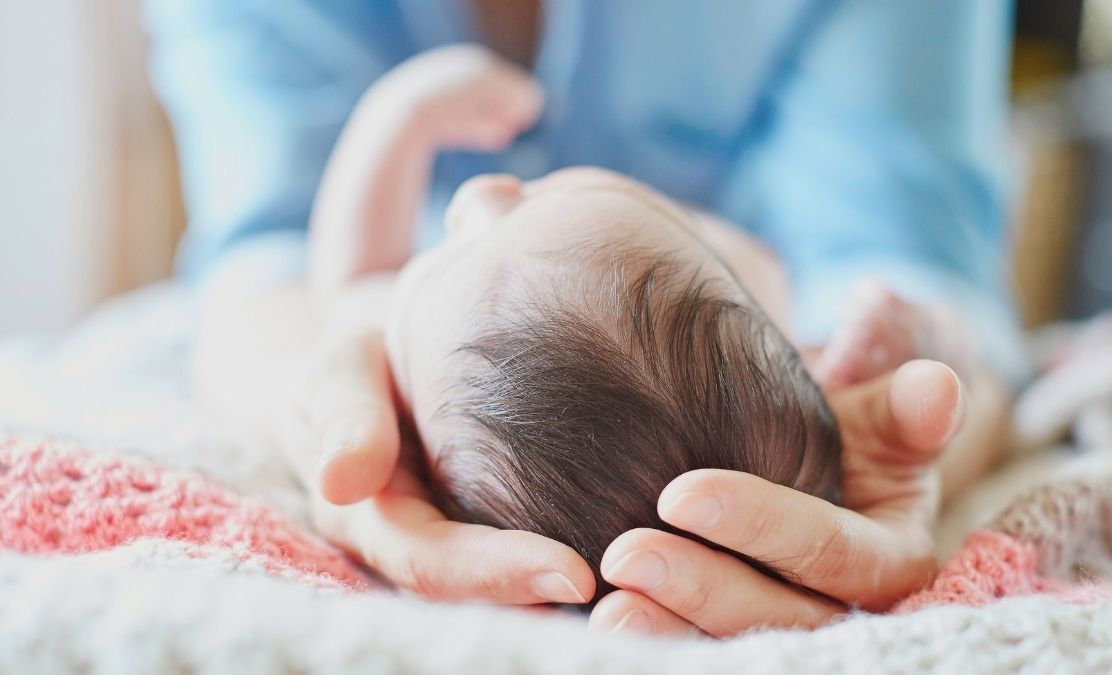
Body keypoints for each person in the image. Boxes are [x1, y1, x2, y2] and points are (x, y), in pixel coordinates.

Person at [158, 0, 1022, 636]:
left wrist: (399, 118)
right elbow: (258, 251)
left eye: (453, 251)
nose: (483, 191)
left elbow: (342, 270)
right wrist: (892, 352)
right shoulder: (742, 303)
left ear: (419, 442)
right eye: (540, 200)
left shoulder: (395, 338)